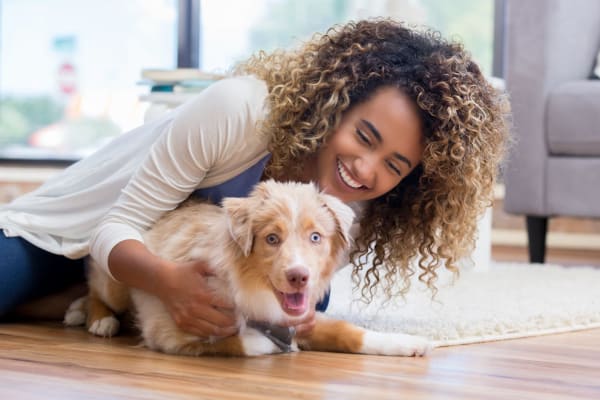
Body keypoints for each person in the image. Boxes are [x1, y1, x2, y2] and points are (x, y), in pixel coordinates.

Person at [0, 19, 509, 339]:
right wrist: (169, 284)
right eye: (366, 136)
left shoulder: (350, 198)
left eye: (395, 166)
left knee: (311, 296)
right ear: (338, 105)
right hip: (65, 233)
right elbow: (117, 224)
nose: (366, 169)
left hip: (133, 267)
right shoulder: (239, 110)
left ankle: (82, 302)